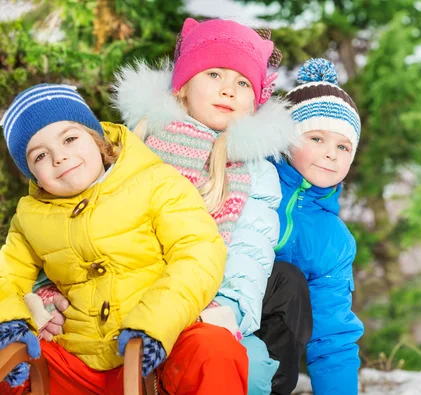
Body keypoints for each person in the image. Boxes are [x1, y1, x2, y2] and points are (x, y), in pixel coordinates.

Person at [0, 83, 247, 395]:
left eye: (70, 139)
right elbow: (8, 276)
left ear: (96, 138)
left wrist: (155, 325)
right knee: (13, 361)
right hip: (77, 357)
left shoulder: (156, 182)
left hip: (159, 346)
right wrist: (10, 323)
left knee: (213, 350)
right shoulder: (30, 216)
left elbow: (198, 251)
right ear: (32, 175)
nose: (60, 157)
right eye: (40, 156)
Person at [112, 18, 312, 394]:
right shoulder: (139, 145)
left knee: (252, 371)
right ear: (184, 87)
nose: (228, 90)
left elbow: (249, 252)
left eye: (242, 83)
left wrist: (228, 309)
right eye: (214, 74)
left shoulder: (254, 171)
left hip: (211, 305)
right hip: (133, 294)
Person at [270, 58, 365, 395]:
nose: (331, 154)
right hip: (213, 322)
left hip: (271, 356)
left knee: (293, 284)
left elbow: (332, 335)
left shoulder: (334, 240)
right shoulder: (250, 181)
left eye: (343, 146)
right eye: (316, 138)